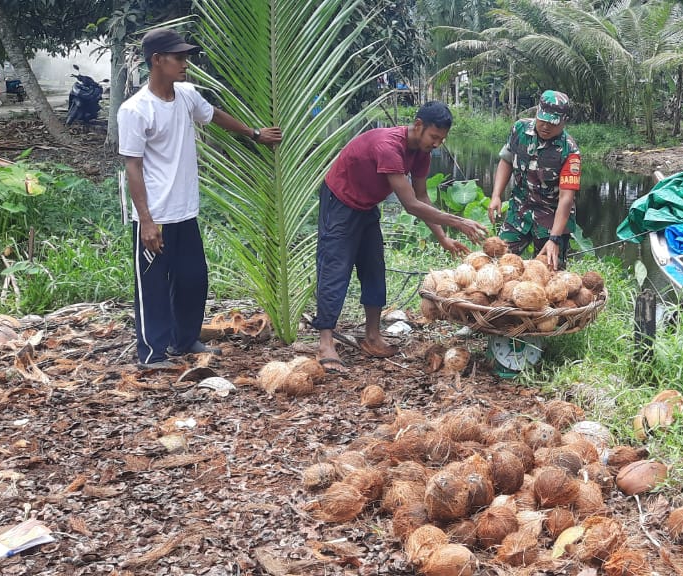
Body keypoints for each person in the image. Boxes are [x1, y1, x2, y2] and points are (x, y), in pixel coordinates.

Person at [118, 29, 282, 369]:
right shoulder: (135, 110)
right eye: (178, 58)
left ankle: (184, 339)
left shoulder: (187, 95)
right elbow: (132, 167)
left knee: (193, 279)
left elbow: (213, 115)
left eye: (185, 57)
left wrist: (253, 134)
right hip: (156, 215)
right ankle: (152, 353)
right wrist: (146, 220)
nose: (185, 64)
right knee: (154, 287)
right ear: (157, 60)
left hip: (185, 211)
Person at [314, 101, 487, 370]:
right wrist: (457, 221)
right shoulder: (389, 146)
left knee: (374, 267)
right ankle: (326, 342)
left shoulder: (421, 153)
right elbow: (410, 205)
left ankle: (372, 336)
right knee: (335, 268)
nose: (437, 143)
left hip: (367, 206)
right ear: (418, 125)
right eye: (434, 137)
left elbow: (422, 196)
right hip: (340, 202)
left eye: (442, 139)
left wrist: (442, 237)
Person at [488, 90, 581, 270]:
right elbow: (506, 160)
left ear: (564, 121)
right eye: (542, 120)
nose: (545, 126)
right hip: (520, 210)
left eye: (552, 123)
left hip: (552, 217)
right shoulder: (519, 129)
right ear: (537, 112)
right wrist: (496, 195)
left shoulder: (570, 151)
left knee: (549, 274)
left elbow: (566, 198)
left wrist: (554, 238)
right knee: (497, 263)